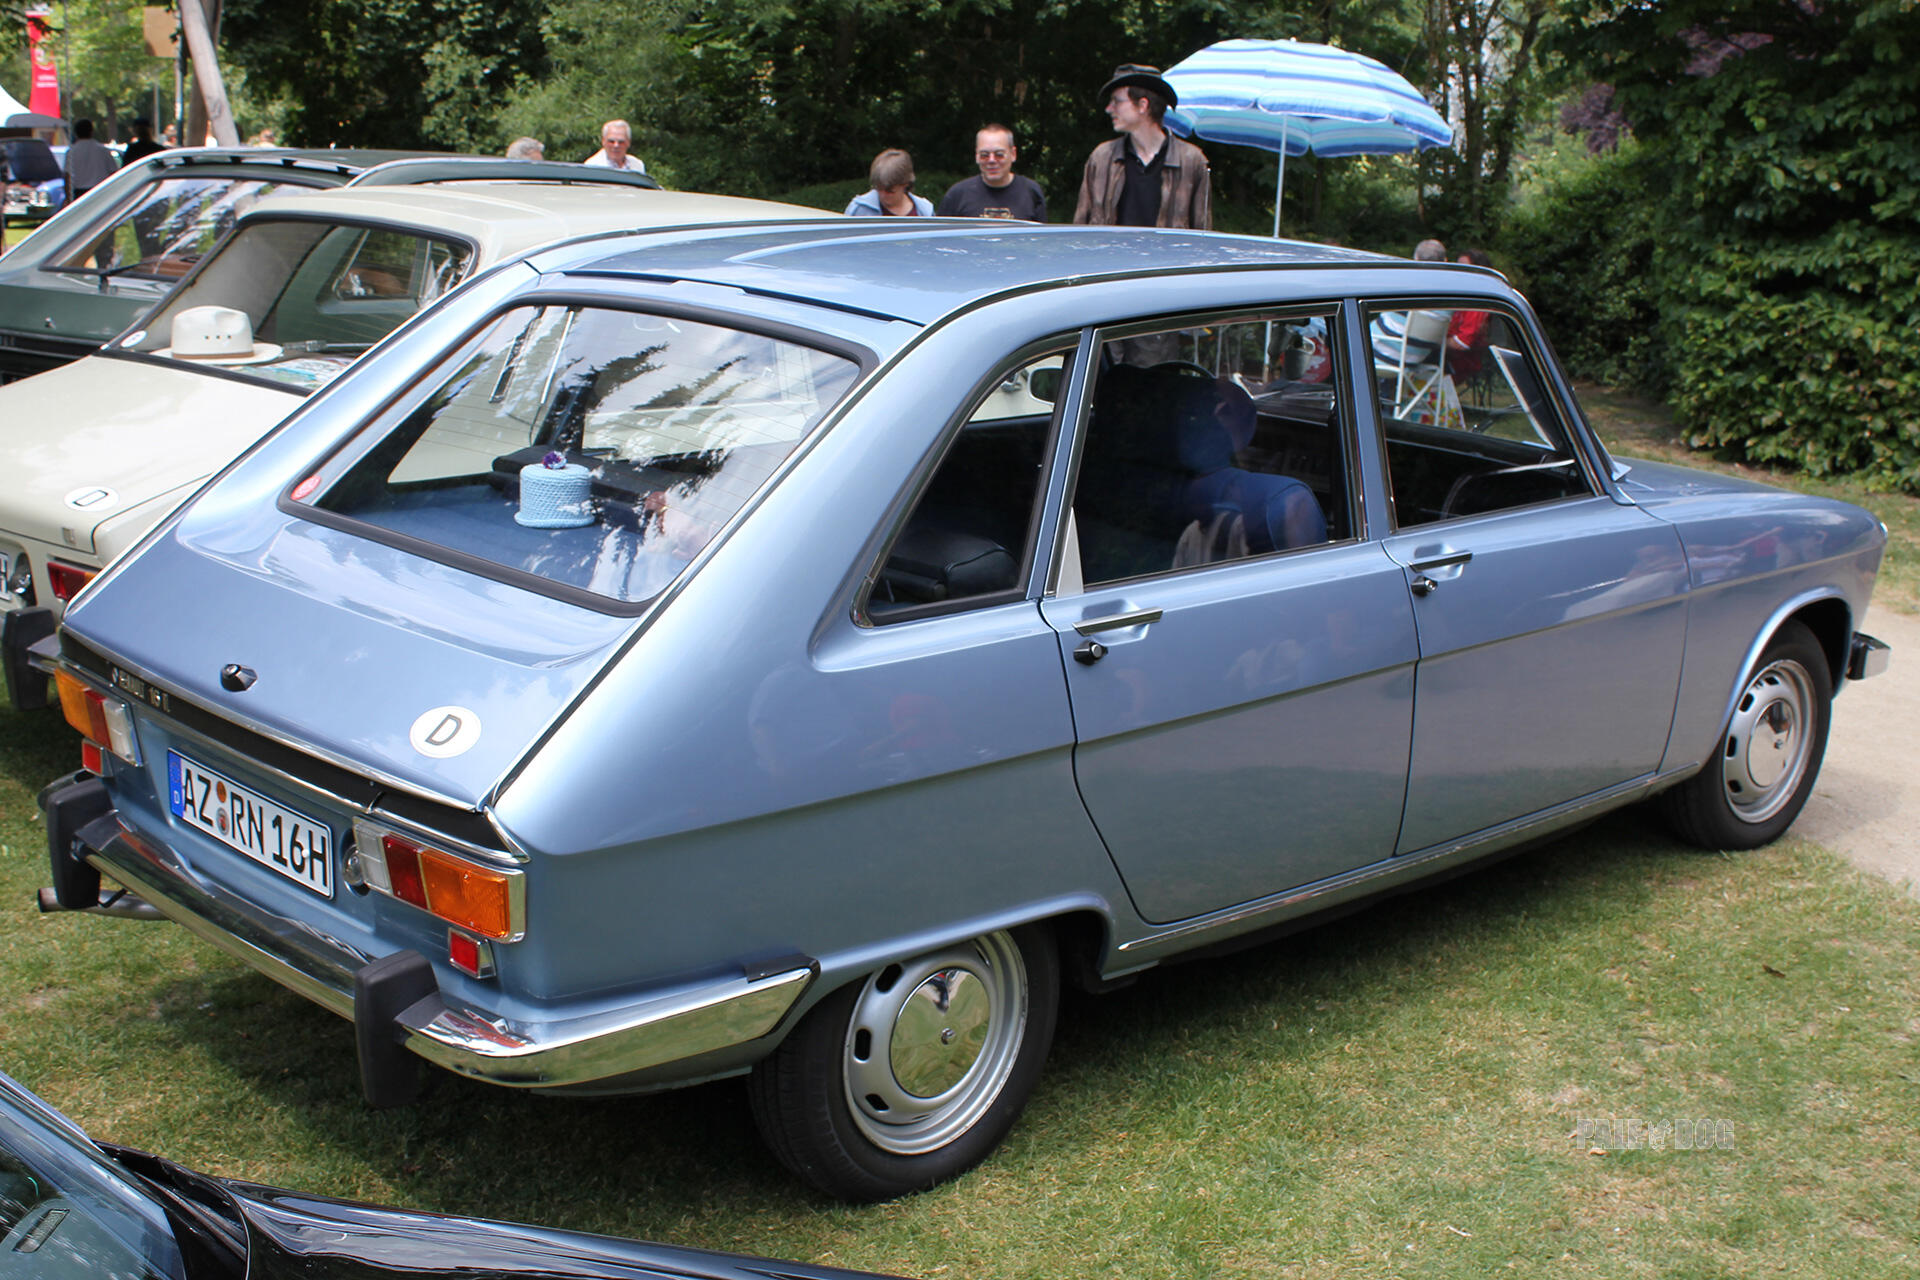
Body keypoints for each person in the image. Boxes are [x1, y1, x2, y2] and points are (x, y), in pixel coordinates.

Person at [1072, 64, 1210, 229]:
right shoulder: (1102, 158)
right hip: (1112, 255)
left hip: (1167, 255)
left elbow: (1202, 236)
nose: (1109, 109)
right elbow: (1080, 229)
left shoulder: (1192, 162)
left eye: (1117, 101)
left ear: (1143, 105)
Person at [937, 124, 1046, 221]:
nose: (992, 160)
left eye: (999, 154)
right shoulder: (957, 195)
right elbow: (939, 240)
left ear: (1013, 154)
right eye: (984, 155)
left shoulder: (1031, 192)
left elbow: (1042, 240)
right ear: (976, 156)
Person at [1446, 248, 1496, 382]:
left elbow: (1462, 343)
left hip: (1460, 360)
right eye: (1457, 268)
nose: (1459, 273)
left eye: (1464, 269)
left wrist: (1436, 342)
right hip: (1447, 356)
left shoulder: (1477, 303)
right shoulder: (1461, 295)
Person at [844, 149, 933, 217]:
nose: (882, 195)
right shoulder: (859, 209)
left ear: (905, 184)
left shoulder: (925, 211)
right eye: (878, 188)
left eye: (889, 191)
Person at [63, 119, 115, 202]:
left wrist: (68, 198)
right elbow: (113, 172)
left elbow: (67, 176)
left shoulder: (71, 152)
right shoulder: (103, 150)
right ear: (91, 131)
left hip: (79, 193)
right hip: (100, 191)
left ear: (76, 133)